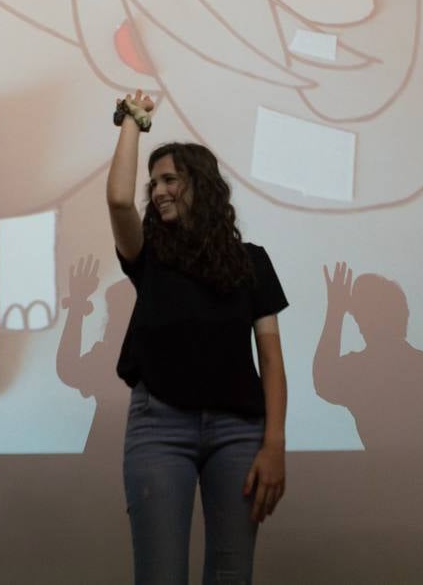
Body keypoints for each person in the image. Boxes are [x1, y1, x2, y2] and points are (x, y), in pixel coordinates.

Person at [106, 90, 288, 585]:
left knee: (232, 574)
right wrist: (132, 121)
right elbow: (119, 199)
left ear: (200, 186)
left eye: (170, 179)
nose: (158, 190)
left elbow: (271, 361)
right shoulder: (147, 254)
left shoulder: (251, 261)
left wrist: (274, 445)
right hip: (159, 427)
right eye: (154, 182)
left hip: (239, 434)